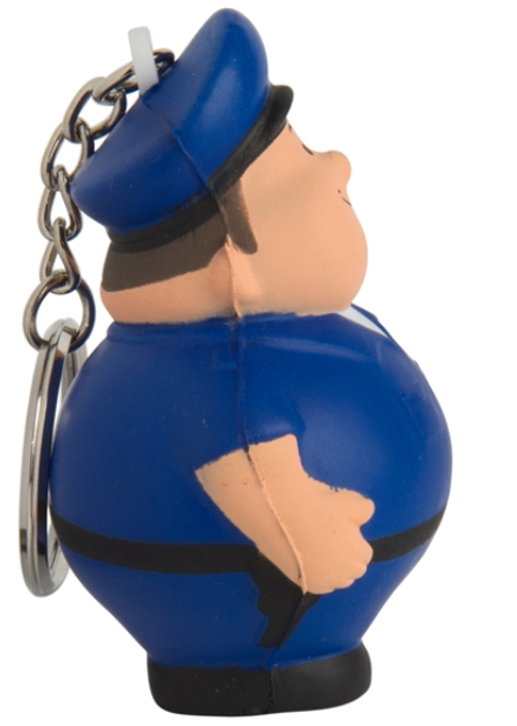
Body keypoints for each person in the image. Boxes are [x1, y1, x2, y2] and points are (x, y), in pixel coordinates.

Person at [50, 9, 451, 715]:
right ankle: (268, 664)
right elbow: (242, 451)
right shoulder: (232, 369)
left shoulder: (299, 321)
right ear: (231, 259)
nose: (337, 164)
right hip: (293, 588)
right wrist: (299, 526)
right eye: (295, 161)